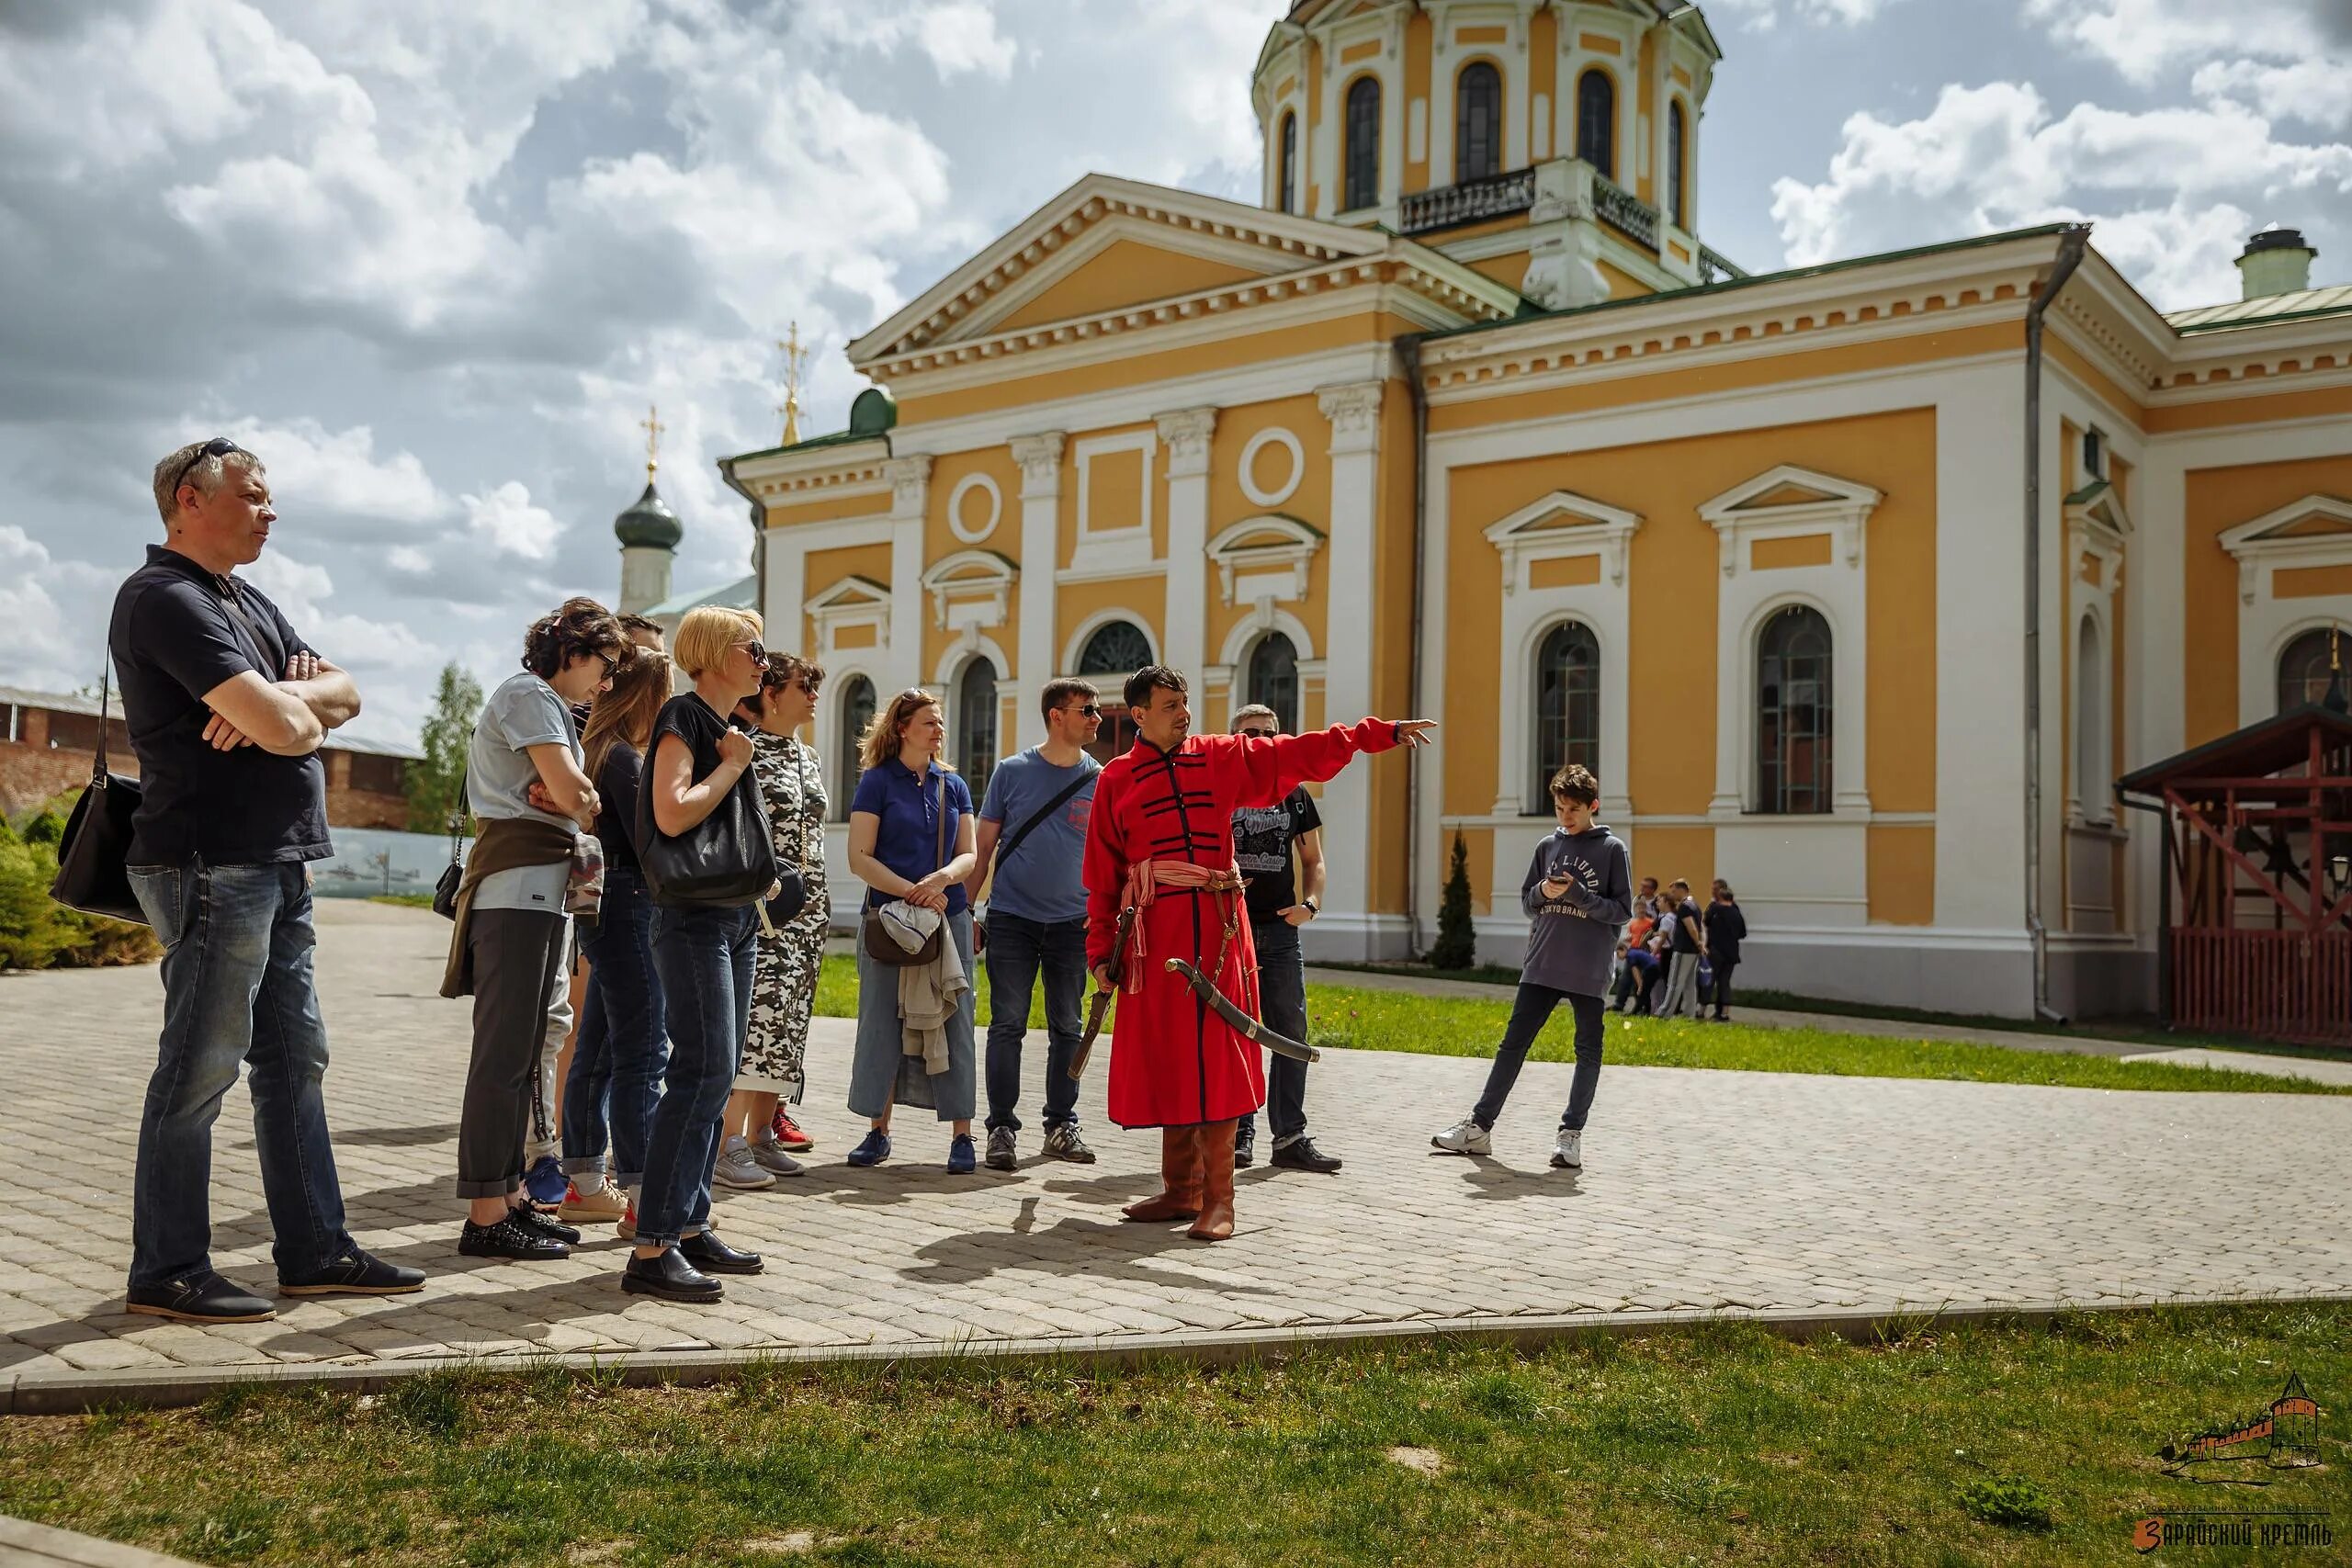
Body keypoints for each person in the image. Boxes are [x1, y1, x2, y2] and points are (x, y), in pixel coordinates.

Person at [109, 437, 424, 1323]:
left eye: (269, 495)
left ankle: (315, 1249)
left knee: (295, 1058)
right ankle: (167, 1268)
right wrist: (281, 711)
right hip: (211, 862)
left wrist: (294, 705)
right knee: (200, 1065)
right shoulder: (165, 599)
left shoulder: (246, 600)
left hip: (276, 860)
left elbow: (344, 695)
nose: (269, 510)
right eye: (251, 495)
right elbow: (285, 728)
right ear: (186, 503)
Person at [1084, 666, 1432, 1241]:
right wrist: (1101, 950)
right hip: (1154, 938)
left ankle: (1220, 1199)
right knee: (1172, 1055)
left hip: (1219, 932)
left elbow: (1294, 754)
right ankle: (1179, 1189)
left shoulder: (1220, 757)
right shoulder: (1116, 779)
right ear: (1139, 714)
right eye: (1169, 704)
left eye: (1185, 702)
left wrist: (1377, 733)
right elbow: (1102, 875)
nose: (1183, 712)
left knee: (1218, 1054)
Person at [440, 598, 623, 1261]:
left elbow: (577, 797)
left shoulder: (546, 705)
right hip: (516, 890)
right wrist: (577, 797)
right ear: (573, 653)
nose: (604, 684)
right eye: (603, 667)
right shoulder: (530, 694)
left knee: (520, 1054)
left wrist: (578, 796)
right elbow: (577, 797)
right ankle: (486, 1213)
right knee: (503, 1054)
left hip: (537, 890)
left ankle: (512, 1199)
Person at [626, 606, 776, 1303]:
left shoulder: (726, 727)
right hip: (693, 922)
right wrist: (732, 768)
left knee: (716, 1078)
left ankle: (689, 1224)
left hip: (735, 918)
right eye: (753, 646)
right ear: (715, 652)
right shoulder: (684, 718)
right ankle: (651, 1248)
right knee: (698, 1073)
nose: (763, 659)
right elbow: (672, 810)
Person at [1431, 763, 1631, 1170]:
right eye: (1559, 809)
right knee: (1512, 1047)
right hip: (1541, 964)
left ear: (1593, 806)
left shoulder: (1612, 850)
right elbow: (1527, 902)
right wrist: (1542, 890)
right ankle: (1479, 1128)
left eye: (1574, 809)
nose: (1566, 817)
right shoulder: (1547, 847)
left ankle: (1570, 1136)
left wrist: (1578, 895)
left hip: (1589, 970)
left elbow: (1622, 911)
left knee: (1587, 1052)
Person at [545, 614, 668, 1208]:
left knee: (597, 1045)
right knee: (643, 1052)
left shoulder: (596, 747)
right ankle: (646, 1196)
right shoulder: (625, 758)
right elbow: (655, 842)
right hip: (630, 906)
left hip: (602, 904)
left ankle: (588, 1178)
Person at [968, 679, 1102, 1171]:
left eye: (1096, 711)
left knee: (1068, 1026)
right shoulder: (1012, 772)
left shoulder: (1100, 778)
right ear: (1056, 716)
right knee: (1007, 1025)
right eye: (1086, 710)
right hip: (1012, 919)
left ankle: (1061, 1125)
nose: (1096, 719)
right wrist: (967, 912)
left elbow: (1110, 856)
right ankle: (1001, 1129)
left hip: (1074, 923)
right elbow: (982, 850)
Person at [844, 689, 980, 1171]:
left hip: (949, 916)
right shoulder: (877, 782)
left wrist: (942, 879)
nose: (939, 730)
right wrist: (910, 891)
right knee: (882, 1022)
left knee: (956, 1021)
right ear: (902, 728)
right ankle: (877, 1131)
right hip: (889, 921)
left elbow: (970, 853)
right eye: (929, 722)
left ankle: (962, 1136)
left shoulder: (954, 785)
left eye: (940, 722)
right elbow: (859, 857)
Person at [714, 652, 830, 1189]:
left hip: (809, 916)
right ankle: (727, 1140)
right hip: (765, 911)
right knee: (754, 1022)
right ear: (771, 694)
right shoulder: (744, 751)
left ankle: (762, 1134)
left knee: (787, 1026)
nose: (813, 695)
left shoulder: (808, 756)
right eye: (804, 686)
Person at [1227, 705, 1340, 1175]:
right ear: (1234, 738)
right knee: (1235, 1032)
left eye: (1270, 733)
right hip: (1231, 932)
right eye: (1250, 733)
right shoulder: (1221, 787)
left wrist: (1309, 907)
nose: (1260, 739)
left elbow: (1313, 860)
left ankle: (1289, 1136)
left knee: (1289, 1034)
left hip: (1279, 932)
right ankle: (1236, 1133)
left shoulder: (1294, 793)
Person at [1655, 876, 1709, 1020]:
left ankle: (1664, 1012)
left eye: (1673, 892)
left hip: (1683, 949)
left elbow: (1691, 927)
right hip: (1693, 951)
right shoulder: (1695, 905)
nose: (1672, 895)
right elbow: (1701, 927)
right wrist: (1701, 944)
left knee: (1674, 982)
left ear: (1681, 890)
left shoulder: (1684, 906)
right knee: (1690, 984)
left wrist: (1697, 942)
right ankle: (1689, 1014)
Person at [1705, 881, 1747, 1022]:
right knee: (1724, 982)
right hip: (1732, 952)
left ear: (1721, 893)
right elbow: (1742, 933)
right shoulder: (1735, 910)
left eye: (1715, 890)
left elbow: (1706, 922)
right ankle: (1723, 1013)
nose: (1713, 892)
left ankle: (1701, 1009)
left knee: (1708, 981)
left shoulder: (1715, 908)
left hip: (1716, 951)